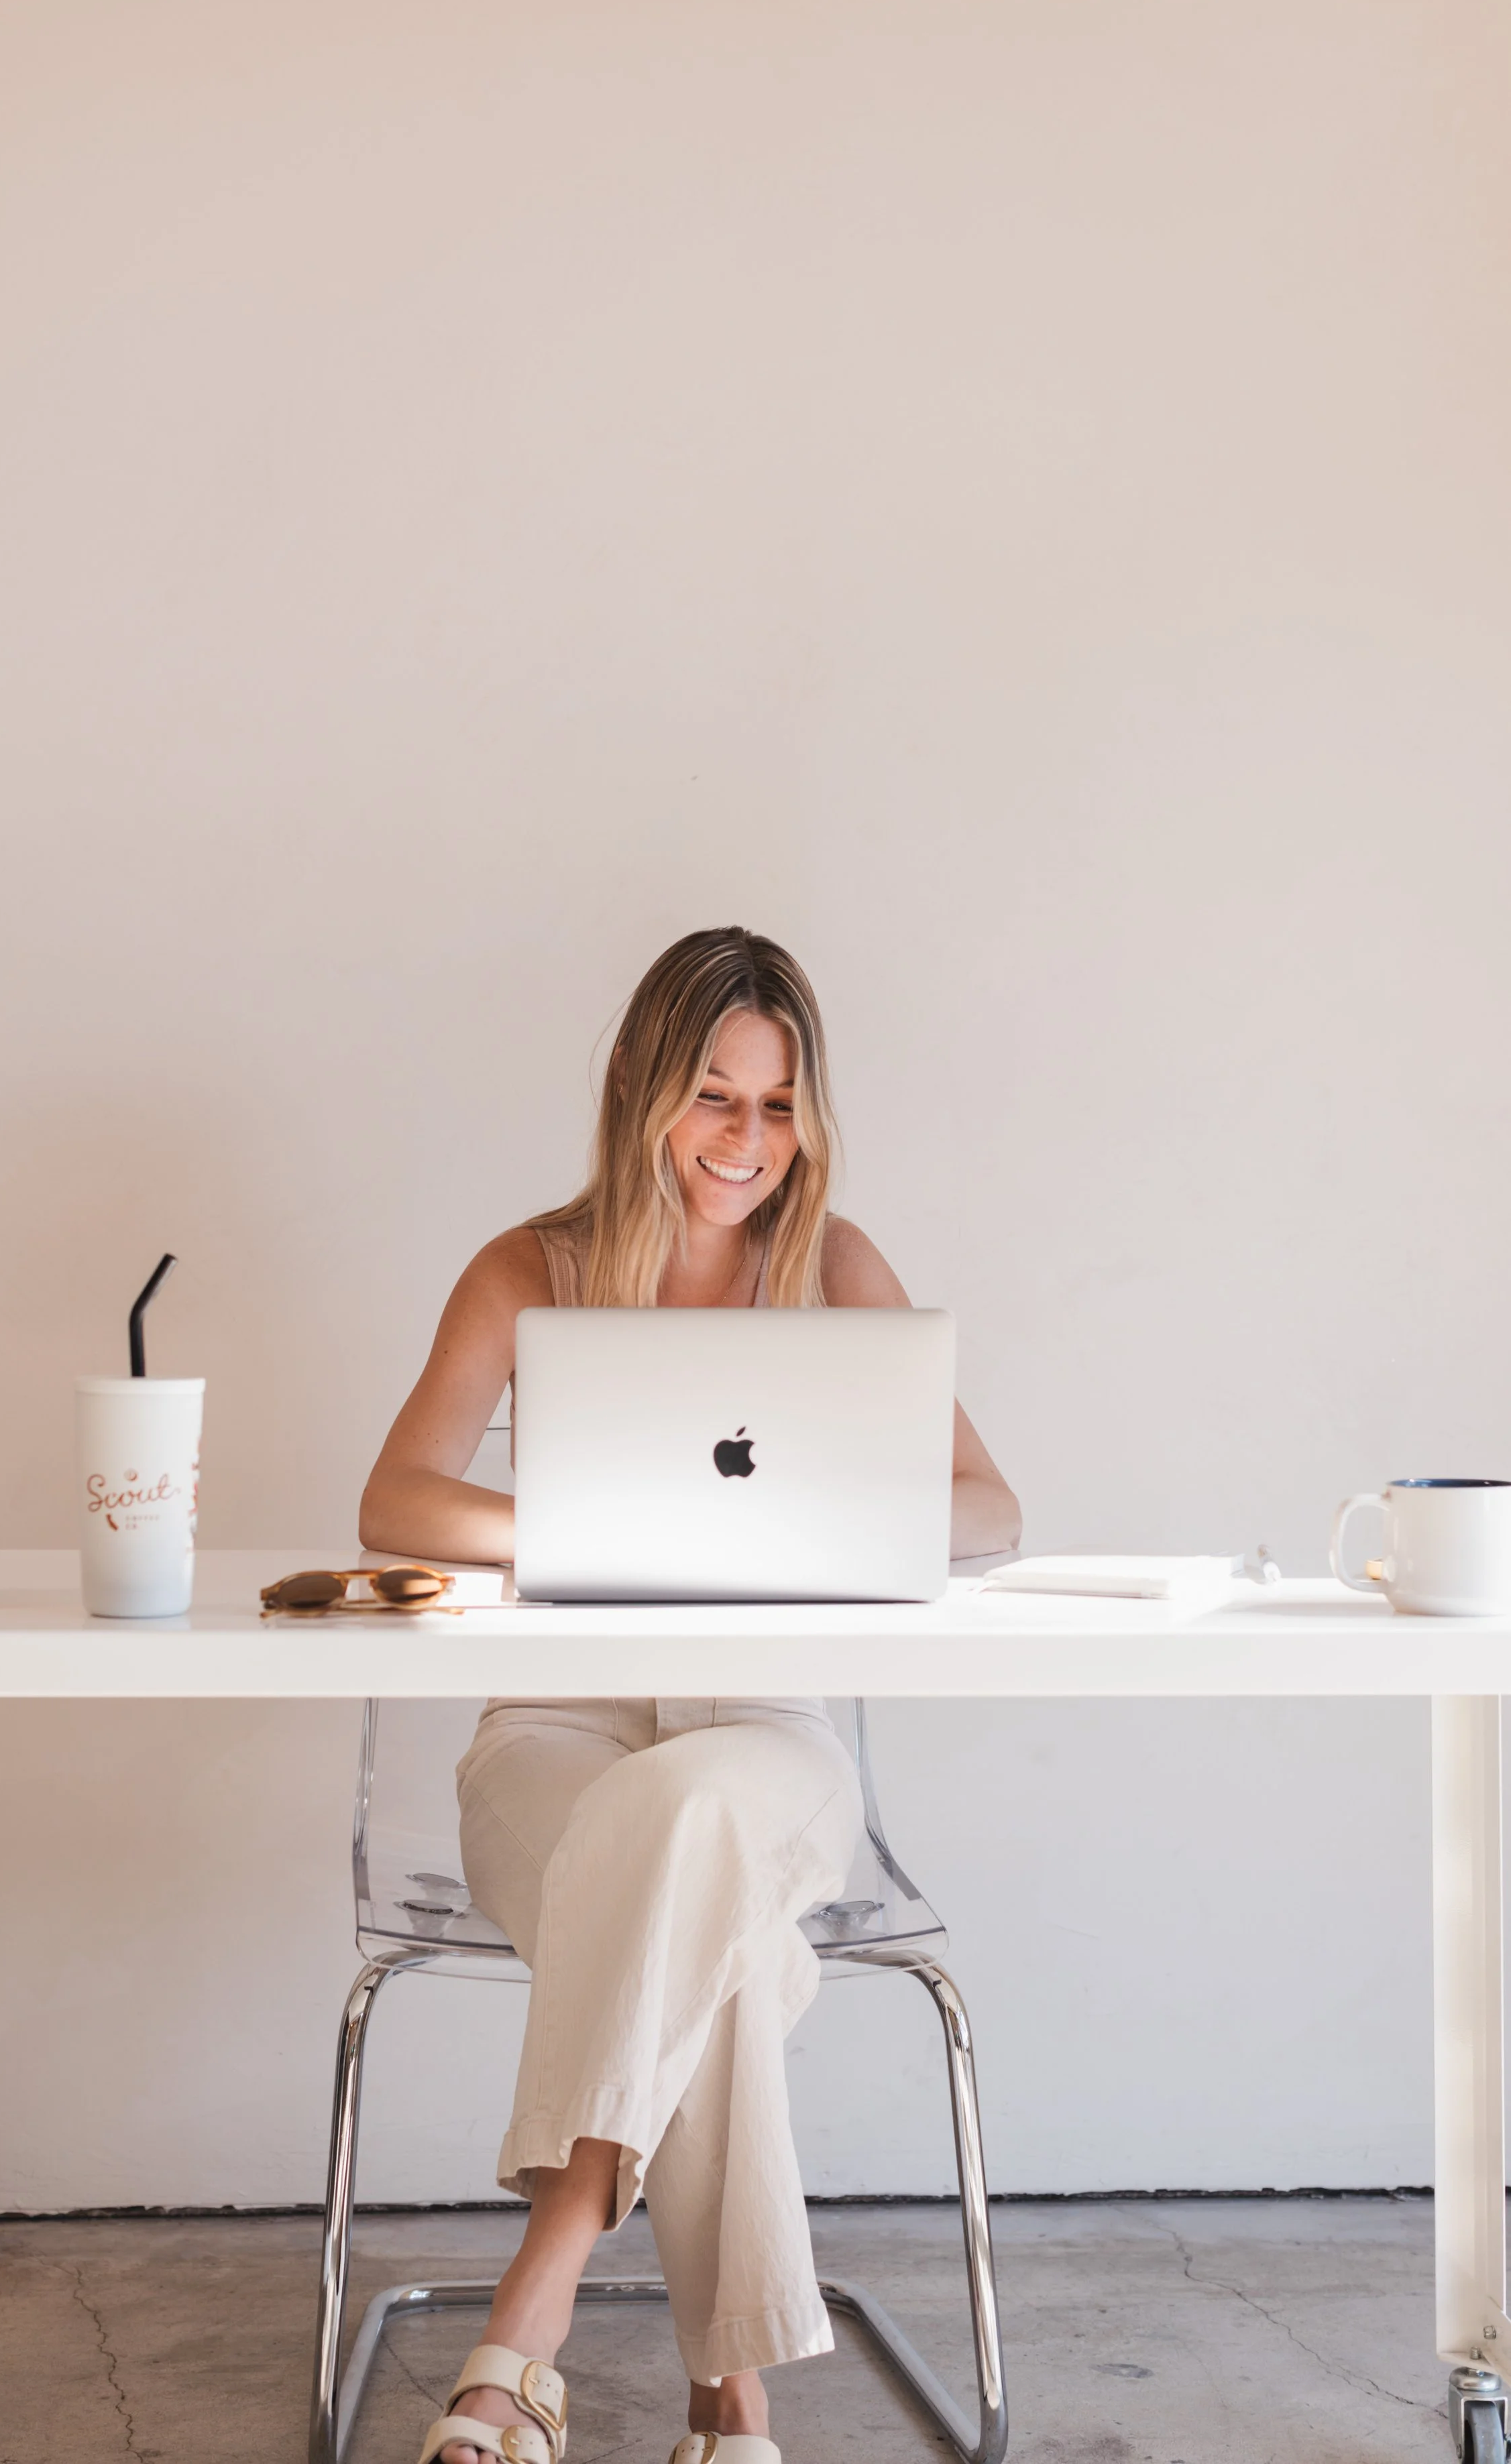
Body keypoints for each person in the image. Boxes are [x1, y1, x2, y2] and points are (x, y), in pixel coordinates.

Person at [360, 927, 1020, 2464]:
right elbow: (397, 1499)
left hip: (762, 1736)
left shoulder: (836, 1267)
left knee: (690, 1824)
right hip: (550, 1733)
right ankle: (730, 2400)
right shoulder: (534, 1265)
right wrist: (597, 1535)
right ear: (641, 1091)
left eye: (776, 1107)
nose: (742, 1143)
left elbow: (988, 1508)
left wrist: (815, 1531)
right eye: (713, 1097)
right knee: (713, 1937)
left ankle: (534, 2308)